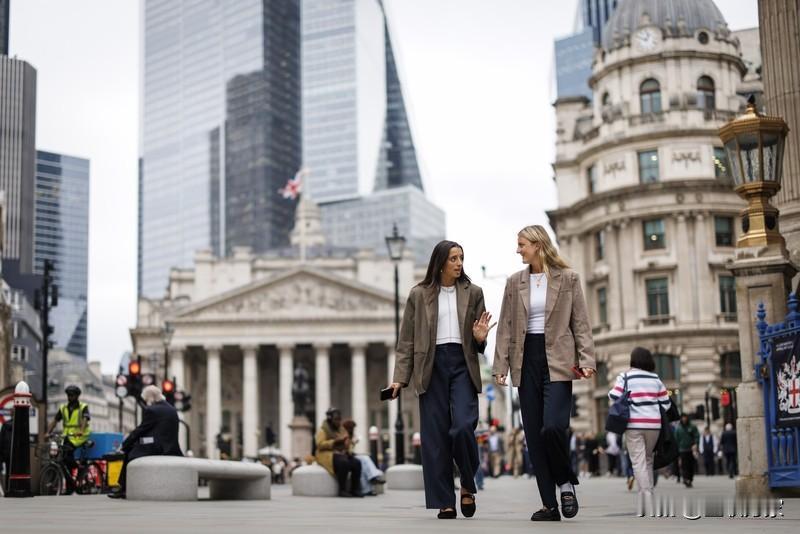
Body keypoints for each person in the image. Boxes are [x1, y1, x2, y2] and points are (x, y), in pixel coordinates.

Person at [493, 224, 596, 522]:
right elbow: (506, 327)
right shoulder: (514, 282)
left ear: (537, 245)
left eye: (522, 244)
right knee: (534, 438)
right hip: (526, 360)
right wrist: (500, 366)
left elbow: (580, 323)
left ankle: (565, 482)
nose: (518, 250)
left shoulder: (569, 278)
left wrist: (587, 358)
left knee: (552, 427)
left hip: (558, 359)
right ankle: (549, 505)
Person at [390, 240, 493, 519]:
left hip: (462, 364)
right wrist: (400, 378)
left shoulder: (474, 292)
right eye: (453, 259)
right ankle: (444, 501)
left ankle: (468, 483)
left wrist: (480, 339)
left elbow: (480, 339)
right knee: (435, 438)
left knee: (462, 427)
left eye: (461, 258)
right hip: (430, 366)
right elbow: (406, 341)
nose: (459, 263)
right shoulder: (418, 294)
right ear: (440, 263)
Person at [608, 347, 671, 516]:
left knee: (638, 462)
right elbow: (666, 403)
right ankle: (647, 497)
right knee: (648, 459)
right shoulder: (655, 378)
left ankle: (647, 497)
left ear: (633, 360)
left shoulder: (625, 376)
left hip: (634, 425)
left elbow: (614, 395)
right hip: (654, 426)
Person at [108, 385, 183, 499]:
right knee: (135, 445)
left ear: (151, 397)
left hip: (157, 447)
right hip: (171, 447)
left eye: (146, 399)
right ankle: (123, 488)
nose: (147, 403)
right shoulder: (172, 409)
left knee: (129, 453)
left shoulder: (152, 410)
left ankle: (123, 489)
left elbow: (140, 430)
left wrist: (124, 445)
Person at [47, 385, 91, 494]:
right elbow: (55, 420)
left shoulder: (83, 407)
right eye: (68, 395)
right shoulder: (63, 408)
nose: (70, 397)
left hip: (79, 436)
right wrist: (48, 432)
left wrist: (81, 430)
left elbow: (85, 419)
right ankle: (70, 487)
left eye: (72, 395)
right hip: (67, 436)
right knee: (64, 460)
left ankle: (80, 468)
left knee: (67, 456)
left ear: (77, 396)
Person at [315, 407, 362, 497]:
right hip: (326, 454)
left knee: (356, 463)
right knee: (343, 462)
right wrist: (334, 442)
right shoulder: (323, 430)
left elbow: (347, 443)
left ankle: (355, 489)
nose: (338, 422)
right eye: (336, 419)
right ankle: (342, 490)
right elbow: (319, 445)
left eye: (339, 419)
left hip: (340, 453)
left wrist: (348, 448)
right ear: (330, 419)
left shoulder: (341, 429)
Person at [341, 419, 385, 496]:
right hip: (345, 458)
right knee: (364, 459)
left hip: (350, 456)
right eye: (352, 428)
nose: (353, 430)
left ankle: (367, 489)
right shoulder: (343, 436)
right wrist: (352, 443)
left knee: (364, 463)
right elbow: (344, 450)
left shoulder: (350, 436)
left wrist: (353, 443)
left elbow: (350, 451)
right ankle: (373, 477)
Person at [675, 414, 700, 488]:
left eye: (685, 417)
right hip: (682, 450)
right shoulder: (678, 428)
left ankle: (690, 478)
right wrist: (676, 450)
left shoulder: (692, 427)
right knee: (684, 466)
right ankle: (686, 479)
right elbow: (676, 440)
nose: (684, 419)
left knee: (691, 465)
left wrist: (696, 443)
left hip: (691, 449)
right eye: (682, 418)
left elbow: (697, 436)